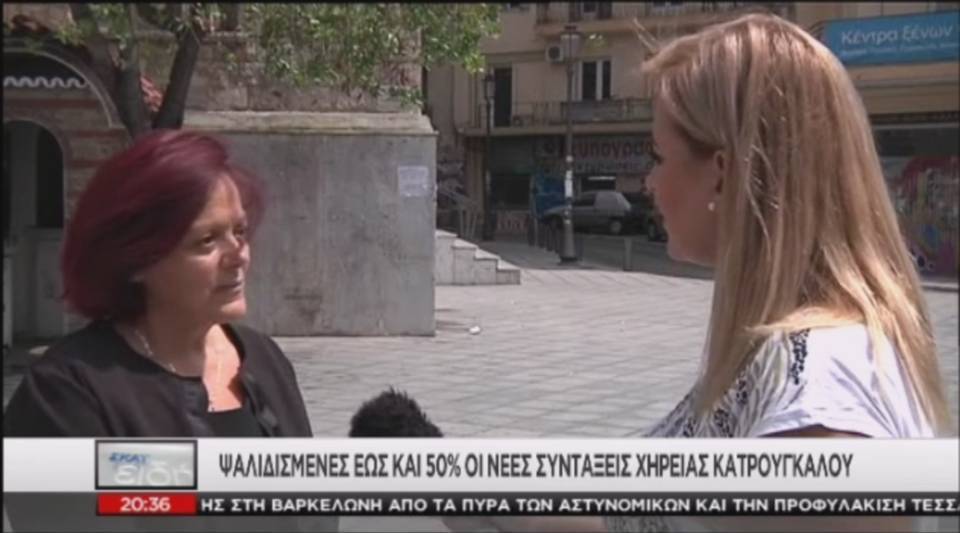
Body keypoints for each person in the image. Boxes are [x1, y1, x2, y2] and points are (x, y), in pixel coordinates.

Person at [454, 12, 954, 533]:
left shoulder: (819, 392)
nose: (648, 182)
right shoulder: (785, 354)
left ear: (722, 173)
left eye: (658, 156)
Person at [4, 129, 311, 438]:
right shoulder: (68, 392)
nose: (239, 256)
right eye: (207, 240)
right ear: (136, 261)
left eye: (239, 231)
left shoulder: (264, 358)